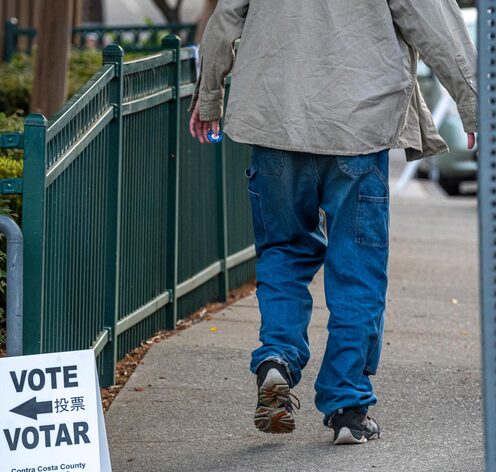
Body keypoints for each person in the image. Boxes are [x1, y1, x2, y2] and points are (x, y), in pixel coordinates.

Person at [189, 0, 477, 444]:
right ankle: (347, 407)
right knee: (357, 267)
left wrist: (209, 97)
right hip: (358, 126)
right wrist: (474, 102)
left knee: (283, 250)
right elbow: (434, 22)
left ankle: (277, 360)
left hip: (274, 121)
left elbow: (225, 18)